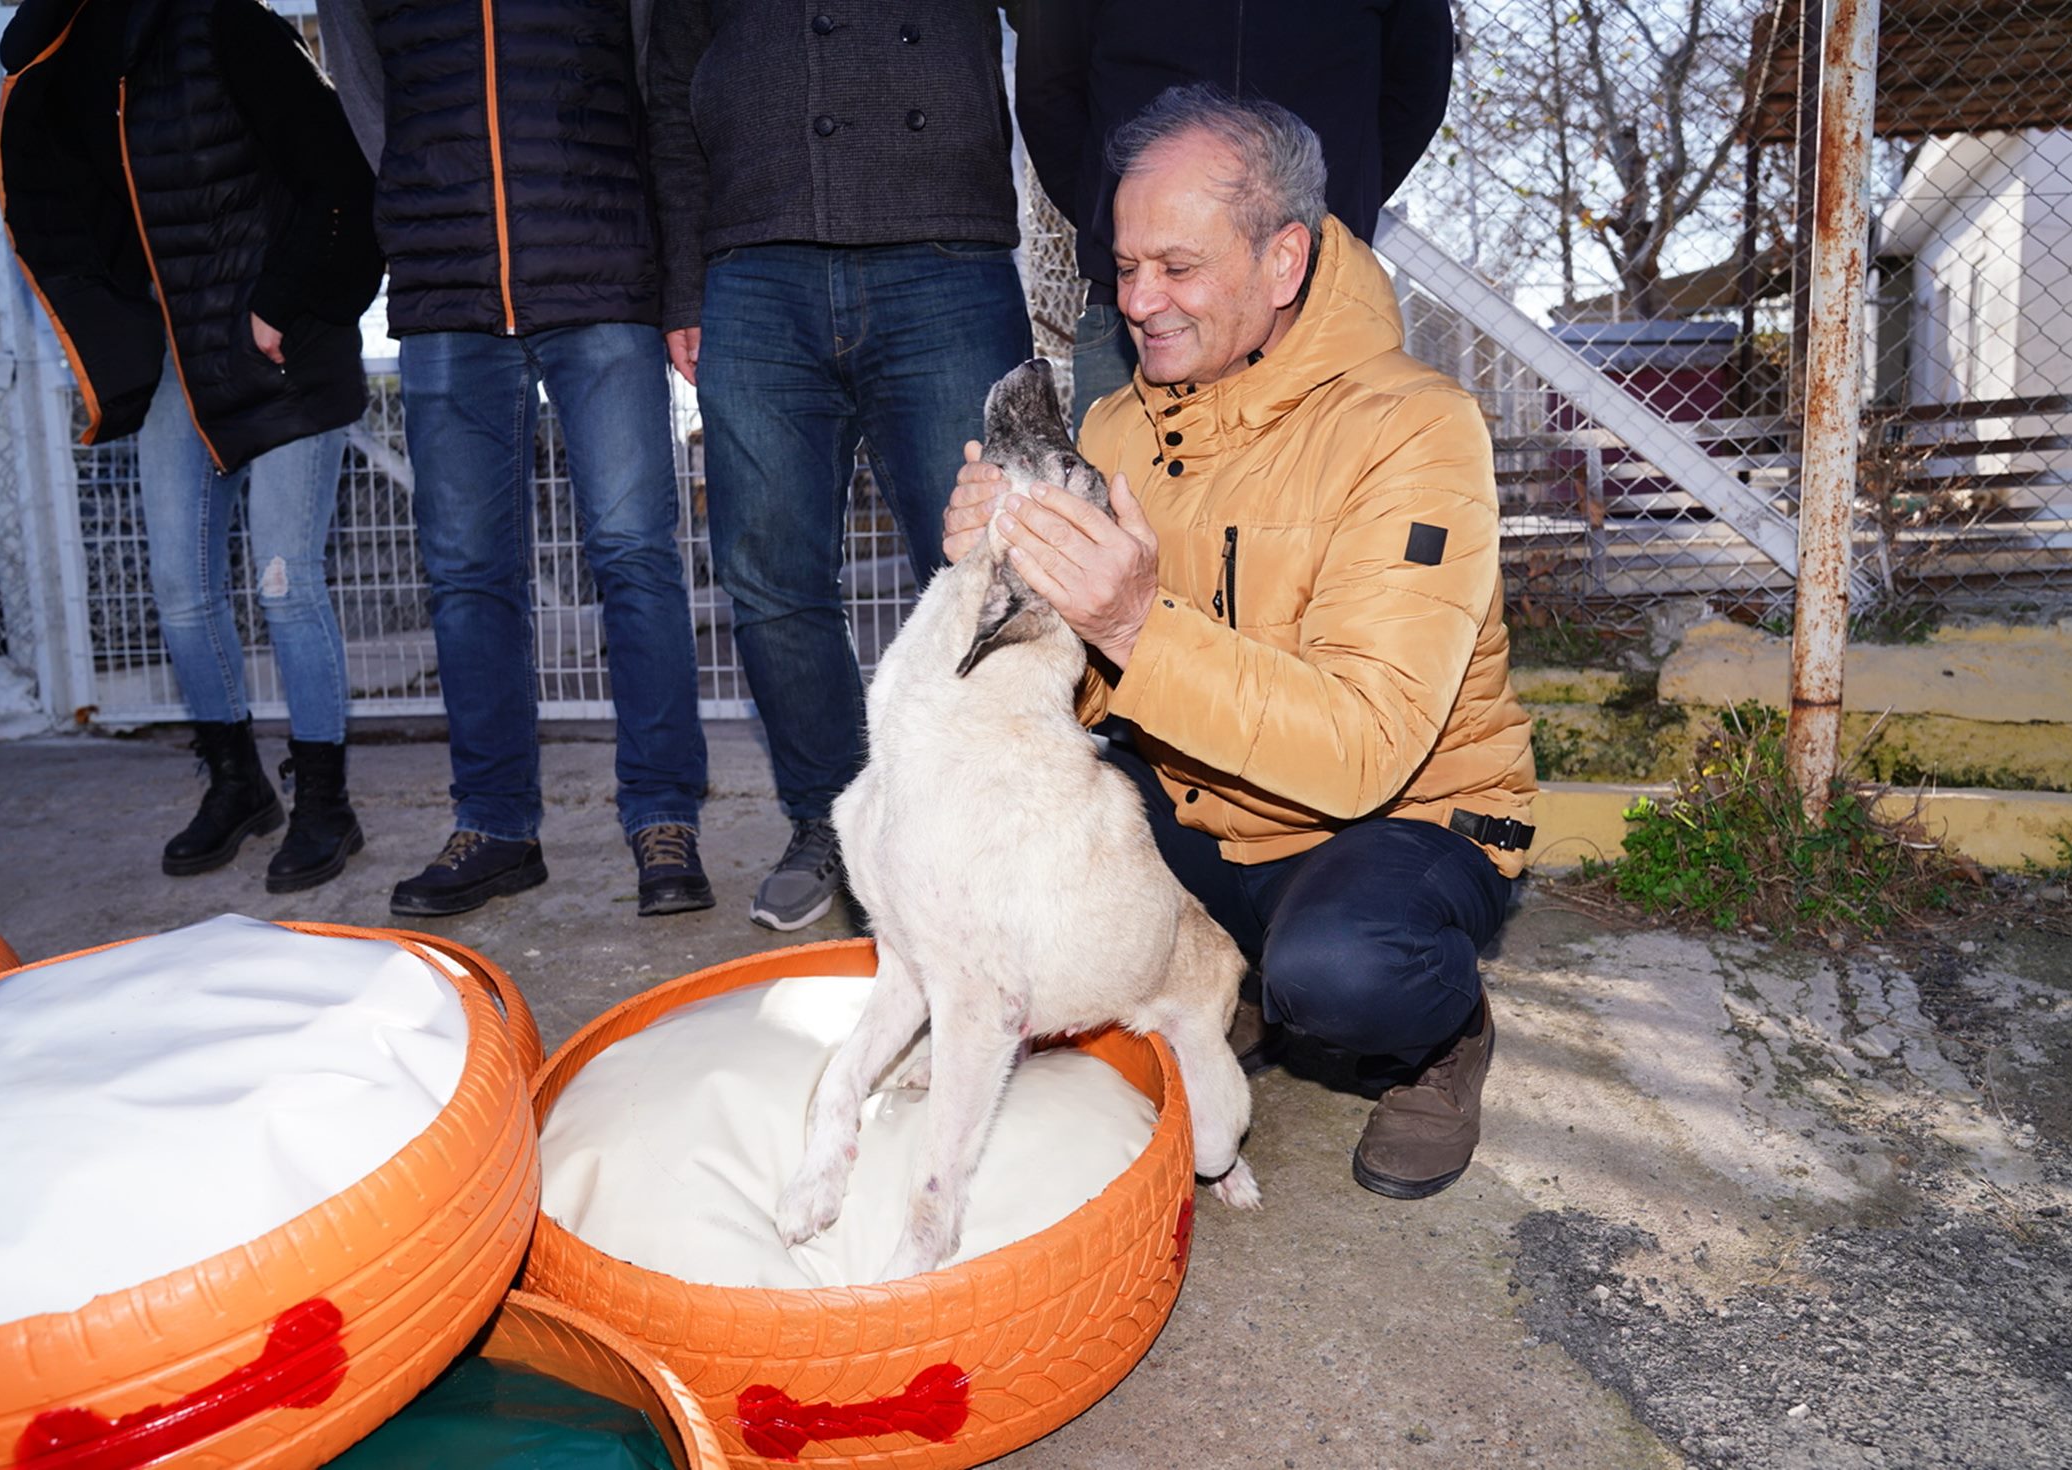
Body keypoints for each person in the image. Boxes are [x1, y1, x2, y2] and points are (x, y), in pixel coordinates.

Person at [945, 87, 1537, 1199]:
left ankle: (1441, 1033)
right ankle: (1223, 964)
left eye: (1176, 266)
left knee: (1343, 973)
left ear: (1283, 261)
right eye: (1123, 269)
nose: (1138, 301)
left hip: (1394, 817)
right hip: (1207, 802)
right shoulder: (1119, 423)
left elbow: (1362, 748)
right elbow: (1084, 706)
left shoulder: (1414, 425)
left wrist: (1128, 618)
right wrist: (1011, 569)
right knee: (1005, 824)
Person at [319, 0, 714, 920]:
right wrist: (432, 199)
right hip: (447, 285)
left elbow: (654, 79)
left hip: (603, 268)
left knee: (636, 556)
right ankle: (495, 826)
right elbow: (372, 102)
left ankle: (664, 818)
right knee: (465, 574)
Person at [646, 0, 1036, 932]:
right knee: (769, 572)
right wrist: (682, 285)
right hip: (753, 259)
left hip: (945, 244)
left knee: (987, 564)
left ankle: (975, 824)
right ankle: (828, 814)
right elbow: (669, 88)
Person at [0, 0, 383, 893]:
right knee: (178, 586)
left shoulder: (225, 25)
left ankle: (326, 800)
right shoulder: (77, 56)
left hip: (282, 342)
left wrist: (283, 303)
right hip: (181, 355)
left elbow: (340, 177)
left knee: (285, 580)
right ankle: (237, 784)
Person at [1013, 0, 1455, 427]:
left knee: (1332, 499)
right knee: (1120, 494)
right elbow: (1047, 88)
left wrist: (1321, 208)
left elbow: (1417, 88)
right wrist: (1125, 225)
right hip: (1133, 316)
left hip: (1318, 299)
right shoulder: (1142, 288)